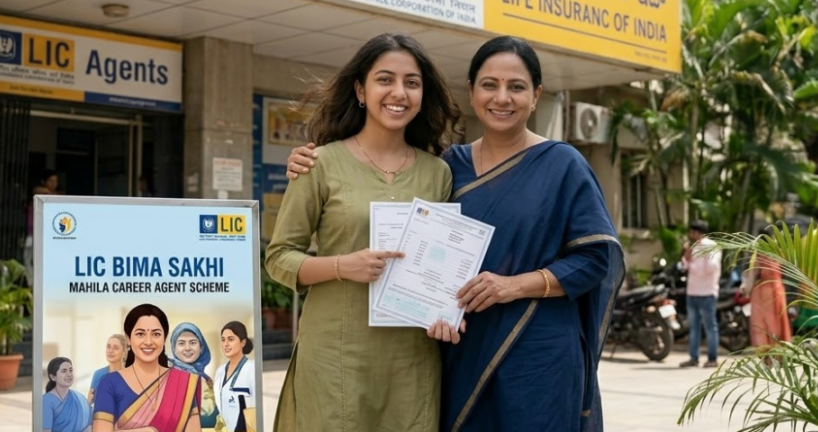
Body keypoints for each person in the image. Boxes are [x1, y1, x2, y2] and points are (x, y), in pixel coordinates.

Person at [286, 35, 624, 431]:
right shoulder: (449, 166)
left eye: (516, 87)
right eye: (489, 85)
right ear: (471, 91)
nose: (502, 98)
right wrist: (306, 161)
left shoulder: (562, 164)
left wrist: (513, 286)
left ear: (536, 96)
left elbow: (594, 260)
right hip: (460, 348)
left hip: (537, 353)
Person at [266, 33, 464, 432]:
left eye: (412, 82)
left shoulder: (437, 173)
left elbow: (442, 264)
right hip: (335, 355)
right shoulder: (319, 164)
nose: (399, 92)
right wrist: (343, 266)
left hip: (410, 359)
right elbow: (279, 258)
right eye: (385, 79)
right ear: (360, 90)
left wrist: (446, 310)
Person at [92, 304, 202, 432]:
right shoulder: (109, 384)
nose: (148, 341)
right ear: (128, 339)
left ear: (164, 338)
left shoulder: (183, 384)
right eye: (140, 334)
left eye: (156, 334)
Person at [680, 220, 722, 368]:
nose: (690, 235)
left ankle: (712, 358)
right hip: (693, 291)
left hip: (707, 292)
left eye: (692, 232)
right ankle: (693, 357)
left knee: (710, 327)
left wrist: (691, 265)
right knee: (694, 327)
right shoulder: (694, 247)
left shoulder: (710, 247)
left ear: (697, 232)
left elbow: (711, 268)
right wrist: (687, 257)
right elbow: (685, 266)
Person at [741, 230, 792, 350]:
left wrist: (746, 290)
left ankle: (767, 356)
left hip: (763, 293)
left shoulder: (759, 256)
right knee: (778, 323)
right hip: (778, 290)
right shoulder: (779, 253)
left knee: (763, 325)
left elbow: (752, 276)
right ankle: (779, 354)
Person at [170, 322, 219, 430]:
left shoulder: (206, 380)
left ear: (201, 348)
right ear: (174, 348)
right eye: (181, 343)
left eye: (193, 342)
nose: (187, 348)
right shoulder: (167, 380)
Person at [212, 321, 256, 432]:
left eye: (231, 339)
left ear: (243, 342)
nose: (225, 344)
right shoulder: (220, 371)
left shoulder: (251, 369)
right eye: (223, 340)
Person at [43, 357, 91, 432]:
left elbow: (88, 426)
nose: (69, 374)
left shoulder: (80, 398)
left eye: (71, 370)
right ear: (53, 377)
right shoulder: (46, 401)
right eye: (64, 371)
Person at [87, 334, 127, 406]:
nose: (110, 351)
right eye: (108, 347)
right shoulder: (98, 374)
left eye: (116, 348)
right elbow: (89, 402)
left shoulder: (130, 376)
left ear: (124, 352)